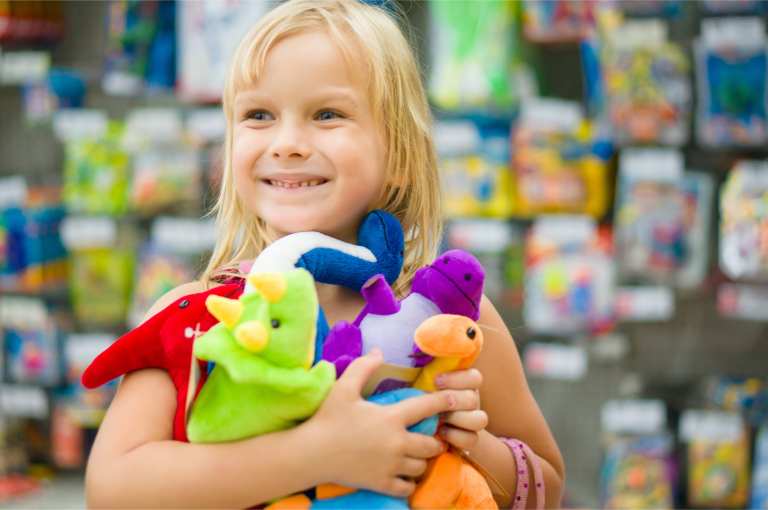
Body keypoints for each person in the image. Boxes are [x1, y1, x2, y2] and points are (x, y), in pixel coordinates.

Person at [85, 1, 565, 507]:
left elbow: (548, 487)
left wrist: (472, 443)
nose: (287, 143)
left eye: (327, 114)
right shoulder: (196, 315)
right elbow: (112, 490)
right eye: (258, 115)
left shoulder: (442, 318)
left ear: (398, 155)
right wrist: (318, 454)